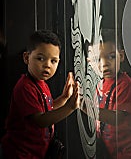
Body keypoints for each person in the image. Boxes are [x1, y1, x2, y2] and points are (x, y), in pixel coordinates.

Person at [1, 30, 79, 159]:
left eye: (53, 61)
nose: (47, 65)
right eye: (40, 58)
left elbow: (46, 109)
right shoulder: (25, 87)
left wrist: (64, 98)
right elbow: (40, 120)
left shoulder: (41, 83)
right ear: (26, 58)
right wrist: (69, 107)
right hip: (20, 154)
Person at [86, 29, 131, 159]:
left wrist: (84, 106)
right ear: (89, 61)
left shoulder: (125, 85)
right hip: (115, 151)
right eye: (97, 59)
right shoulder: (99, 85)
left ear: (121, 56)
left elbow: (117, 118)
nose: (104, 64)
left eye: (111, 57)